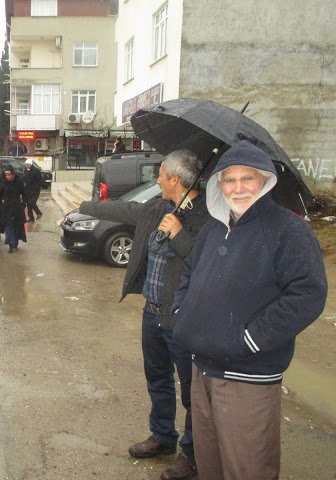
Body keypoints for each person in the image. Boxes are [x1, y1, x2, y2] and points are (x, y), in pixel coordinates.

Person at [172, 140, 328, 480]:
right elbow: (189, 273)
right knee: (209, 463)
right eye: (230, 180)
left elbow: (308, 293)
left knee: (247, 468)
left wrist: (250, 340)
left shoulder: (289, 229)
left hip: (247, 377)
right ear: (219, 184)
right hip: (203, 370)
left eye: (248, 179)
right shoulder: (214, 228)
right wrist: (182, 313)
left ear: (265, 181)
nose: (238, 188)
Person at [79, 149, 209, 480]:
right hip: (151, 312)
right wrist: (84, 207)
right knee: (158, 379)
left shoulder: (207, 217)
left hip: (183, 317)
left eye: (161, 175)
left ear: (176, 179)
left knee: (192, 391)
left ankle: (192, 455)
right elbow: (128, 209)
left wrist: (180, 233)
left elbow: (206, 264)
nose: (157, 180)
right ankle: (163, 437)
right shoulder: (160, 207)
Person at [0, 164, 27, 253]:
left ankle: (15, 241)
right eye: (6, 175)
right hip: (6, 208)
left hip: (17, 208)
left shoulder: (19, 181)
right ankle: (10, 244)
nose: (8, 176)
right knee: (9, 227)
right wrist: (1, 204)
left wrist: (23, 204)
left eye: (10, 174)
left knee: (17, 226)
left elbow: (24, 193)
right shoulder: (3, 182)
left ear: (13, 174)